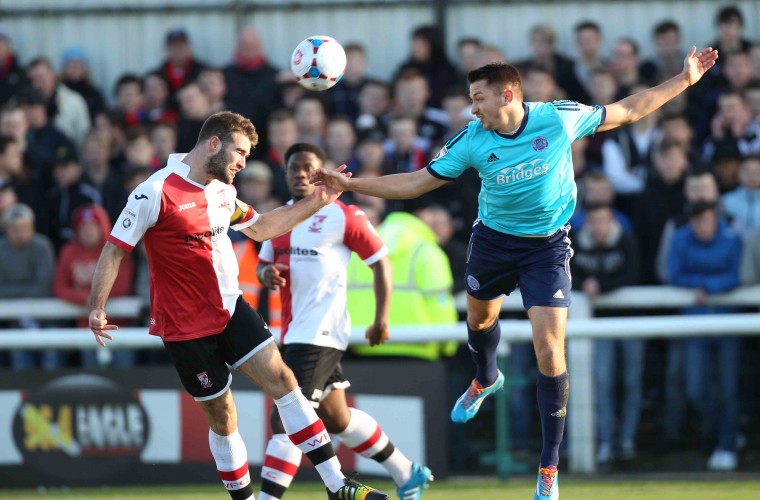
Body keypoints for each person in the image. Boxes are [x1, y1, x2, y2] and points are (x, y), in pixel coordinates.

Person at [313, 47, 719, 499]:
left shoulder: (557, 118)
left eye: (479, 98)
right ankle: (485, 378)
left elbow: (626, 110)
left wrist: (684, 80)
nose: (472, 107)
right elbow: (415, 182)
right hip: (492, 243)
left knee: (550, 350)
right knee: (480, 323)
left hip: (546, 248)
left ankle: (549, 468)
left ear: (507, 94)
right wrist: (349, 185)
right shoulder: (470, 138)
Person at [87, 111, 388, 500]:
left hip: (230, 309)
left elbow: (263, 227)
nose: (243, 163)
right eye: (240, 153)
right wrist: (97, 306)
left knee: (284, 381)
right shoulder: (154, 192)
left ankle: (337, 485)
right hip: (184, 328)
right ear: (214, 144)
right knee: (224, 416)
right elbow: (114, 250)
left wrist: (318, 201)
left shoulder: (223, 192)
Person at [255, 142, 432, 500]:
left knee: (286, 419)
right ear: (285, 173)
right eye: (294, 168)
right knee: (337, 418)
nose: (301, 174)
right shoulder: (278, 218)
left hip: (321, 330)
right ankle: (406, 473)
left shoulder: (343, 215)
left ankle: (266, 499)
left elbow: (380, 261)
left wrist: (381, 318)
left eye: (309, 168)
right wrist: (266, 273)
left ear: (323, 173)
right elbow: (262, 263)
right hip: (294, 332)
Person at [569, 203, 641, 469]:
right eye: (594, 222)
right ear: (587, 223)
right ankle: (606, 442)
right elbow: (565, 274)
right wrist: (583, 286)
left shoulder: (626, 240)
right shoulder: (575, 243)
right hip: (595, 326)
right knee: (603, 383)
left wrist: (601, 287)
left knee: (632, 382)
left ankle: (627, 440)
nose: (599, 228)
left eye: (604, 222)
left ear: (612, 221)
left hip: (630, 322)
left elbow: (634, 274)